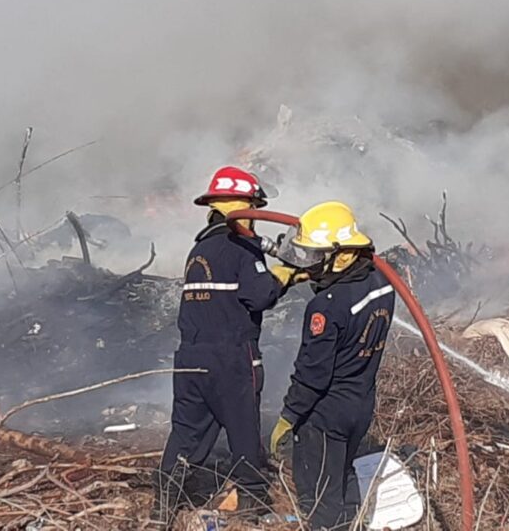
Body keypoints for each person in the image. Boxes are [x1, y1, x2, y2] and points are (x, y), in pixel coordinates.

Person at [154, 166, 298, 525]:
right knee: (243, 427)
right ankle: (252, 502)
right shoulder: (243, 247)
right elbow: (258, 296)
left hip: (190, 356)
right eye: (254, 207)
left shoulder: (198, 250)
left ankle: (163, 504)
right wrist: (284, 276)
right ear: (245, 206)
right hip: (231, 355)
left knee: (187, 431)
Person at [270, 201, 395, 530]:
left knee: (319, 494)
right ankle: (352, 523)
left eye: (315, 258)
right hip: (362, 403)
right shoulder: (382, 283)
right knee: (344, 476)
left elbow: (313, 374)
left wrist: (288, 417)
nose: (309, 266)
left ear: (341, 255)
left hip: (326, 414)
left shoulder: (324, 308)